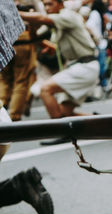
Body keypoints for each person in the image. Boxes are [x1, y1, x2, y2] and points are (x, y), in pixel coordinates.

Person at [0, 0, 54, 214]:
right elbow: (42, 21)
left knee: (7, 82)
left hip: (13, 41)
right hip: (17, 39)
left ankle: (10, 117)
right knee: (21, 81)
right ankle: (14, 118)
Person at [19, 0, 100, 145]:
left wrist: (16, 14)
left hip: (85, 66)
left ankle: (62, 132)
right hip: (78, 67)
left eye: (50, 4)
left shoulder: (68, 15)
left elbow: (41, 18)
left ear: (60, 4)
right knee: (65, 113)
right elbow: (36, 39)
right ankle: (100, 121)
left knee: (45, 89)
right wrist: (32, 24)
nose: (47, 8)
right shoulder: (56, 19)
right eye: (45, 5)